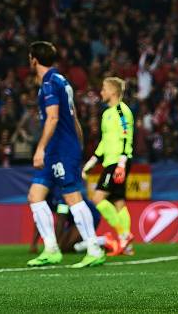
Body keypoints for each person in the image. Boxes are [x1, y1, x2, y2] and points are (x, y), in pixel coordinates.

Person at [27, 41, 105, 268]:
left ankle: (93, 248)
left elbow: (53, 118)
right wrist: (78, 146)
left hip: (59, 148)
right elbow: (74, 118)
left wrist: (40, 148)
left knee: (72, 198)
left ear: (34, 59)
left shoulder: (49, 83)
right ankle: (51, 249)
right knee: (35, 196)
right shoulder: (61, 81)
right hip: (60, 148)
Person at [82, 77, 135, 255]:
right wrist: (92, 161)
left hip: (118, 162)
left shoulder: (122, 111)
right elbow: (104, 142)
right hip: (110, 161)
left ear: (113, 91)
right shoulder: (106, 114)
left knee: (98, 199)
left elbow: (127, 136)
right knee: (118, 201)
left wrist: (122, 162)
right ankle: (127, 246)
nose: (101, 92)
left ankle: (123, 235)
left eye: (104, 89)